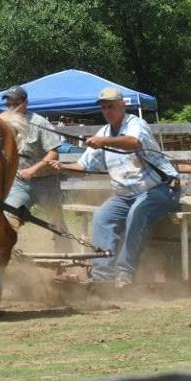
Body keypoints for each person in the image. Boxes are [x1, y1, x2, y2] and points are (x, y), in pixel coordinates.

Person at [48, 87, 180, 288]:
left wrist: (103, 142)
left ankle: (125, 273)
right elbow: (83, 167)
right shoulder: (104, 133)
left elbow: (133, 142)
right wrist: (63, 167)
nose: (107, 111)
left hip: (162, 189)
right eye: (104, 107)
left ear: (122, 105)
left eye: (111, 106)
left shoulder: (136, 124)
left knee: (139, 211)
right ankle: (103, 277)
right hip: (126, 196)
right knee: (102, 216)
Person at [0, 85, 71, 252]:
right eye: (8, 104)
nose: (11, 108)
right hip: (19, 182)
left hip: (46, 182)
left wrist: (33, 170)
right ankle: (7, 259)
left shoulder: (39, 123)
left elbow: (54, 153)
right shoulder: (3, 122)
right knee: (8, 217)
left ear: (25, 103)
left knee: (57, 223)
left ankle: (66, 263)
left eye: (14, 104)